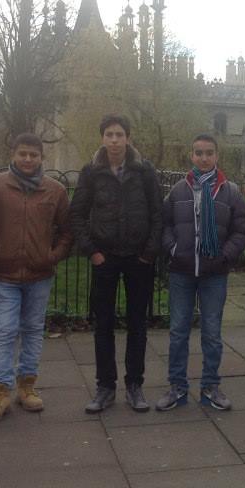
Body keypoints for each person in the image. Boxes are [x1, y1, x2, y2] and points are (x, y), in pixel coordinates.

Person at [0, 133, 73, 422]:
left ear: (41, 157)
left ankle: (27, 386)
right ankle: (0, 392)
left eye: (33, 155)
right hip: (3, 274)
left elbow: (68, 231)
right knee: (4, 330)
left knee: (32, 329)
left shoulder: (55, 190)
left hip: (39, 274)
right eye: (23, 154)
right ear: (13, 155)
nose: (28, 159)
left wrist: (52, 255)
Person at [70, 114, 162, 414]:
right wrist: (91, 251)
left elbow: (158, 214)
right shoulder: (92, 172)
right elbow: (77, 214)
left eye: (119, 134)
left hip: (138, 258)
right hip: (105, 257)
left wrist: (149, 252)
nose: (114, 139)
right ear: (102, 138)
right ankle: (105, 387)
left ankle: (135, 386)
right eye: (108, 134)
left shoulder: (144, 171)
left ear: (127, 138)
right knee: (103, 325)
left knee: (137, 324)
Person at [157, 134, 245, 411]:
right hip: (182, 271)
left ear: (216, 156)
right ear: (191, 155)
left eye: (209, 152)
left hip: (214, 273)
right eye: (198, 152)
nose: (204, 157)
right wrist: (173, 249)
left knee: (211, 333)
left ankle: (210, 386)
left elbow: (242, 230)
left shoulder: (230, 191)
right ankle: (177, 387)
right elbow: (164, 225)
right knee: (178, 332)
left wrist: (225, 256)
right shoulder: (178, 190)